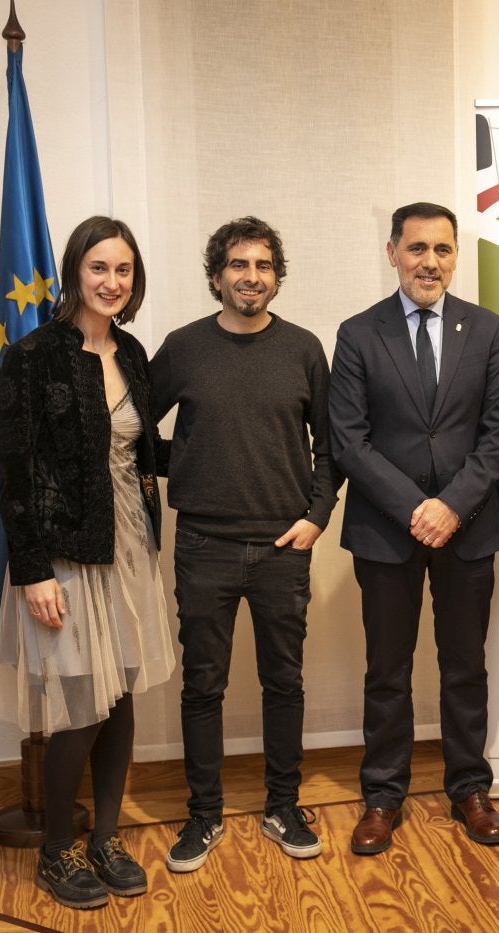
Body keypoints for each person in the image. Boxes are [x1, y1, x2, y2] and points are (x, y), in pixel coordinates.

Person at [0, 215, 175, 909]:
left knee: (120, 693)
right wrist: (32, 568)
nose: (111, 281)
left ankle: (105, 835)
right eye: (99, 267)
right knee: (78, 704)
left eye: (124, 269)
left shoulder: (132, 352)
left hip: (129, 546)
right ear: (74, 272)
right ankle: (56, 851)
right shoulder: (34, 355)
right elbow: (14, 471)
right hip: (63, 556)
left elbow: (142, 453)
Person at [151, 217, 339, 870]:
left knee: (282, 681)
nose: (250, 275)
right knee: (203, 685)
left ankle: (282, 805)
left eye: (262, 265)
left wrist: (318, 514)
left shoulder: (305, 350)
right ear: (216, 277)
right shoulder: (182, 348)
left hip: (285, 548)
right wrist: (192, 460)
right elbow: (133, 427)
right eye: (238, 264)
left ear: (276, 277)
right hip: (203, 546)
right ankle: (203, 815)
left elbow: (332, 445)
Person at [329, 201, 499, 855]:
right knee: (387, 669)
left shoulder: (488, 331)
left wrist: (451, 505)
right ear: (392, 253)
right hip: (387, 529)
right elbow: (348, 441)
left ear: (455, 255)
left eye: (442, 249)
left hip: (468, 527)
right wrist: (416, 506)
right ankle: (383, 795)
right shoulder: (357, 333)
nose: (429, 261)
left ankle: (470, 787)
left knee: (465, 667)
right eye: (416, 248)